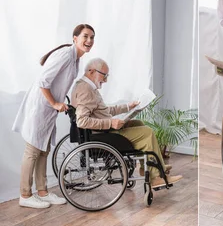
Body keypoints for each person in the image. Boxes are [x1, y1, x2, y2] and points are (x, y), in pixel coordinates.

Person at [12, 24, 95, 209]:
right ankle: (25, 194)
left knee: (43, 149)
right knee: (32, 150)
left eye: (92, 37)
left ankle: (42, 192)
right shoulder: (66, 54)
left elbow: (61, 84)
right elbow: (43, 81)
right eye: (85, 36)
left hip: (49, 109)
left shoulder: (76, 59)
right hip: (41, 106)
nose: (89, 41)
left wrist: (64, 102)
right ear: (75, 38)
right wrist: (54, 103)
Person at [70, 58, 182, 189]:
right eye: (104, 75)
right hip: (102, 135)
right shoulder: (85, 89)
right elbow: (82, 121)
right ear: (91, 71)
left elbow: (104, 111)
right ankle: (156, 177)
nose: (105, 80)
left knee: (138, 123)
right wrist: (110, 123)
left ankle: (153, 167)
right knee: (146, 133)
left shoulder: (88, 86)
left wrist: (128, 106)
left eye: (107, 76)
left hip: (103, 132)